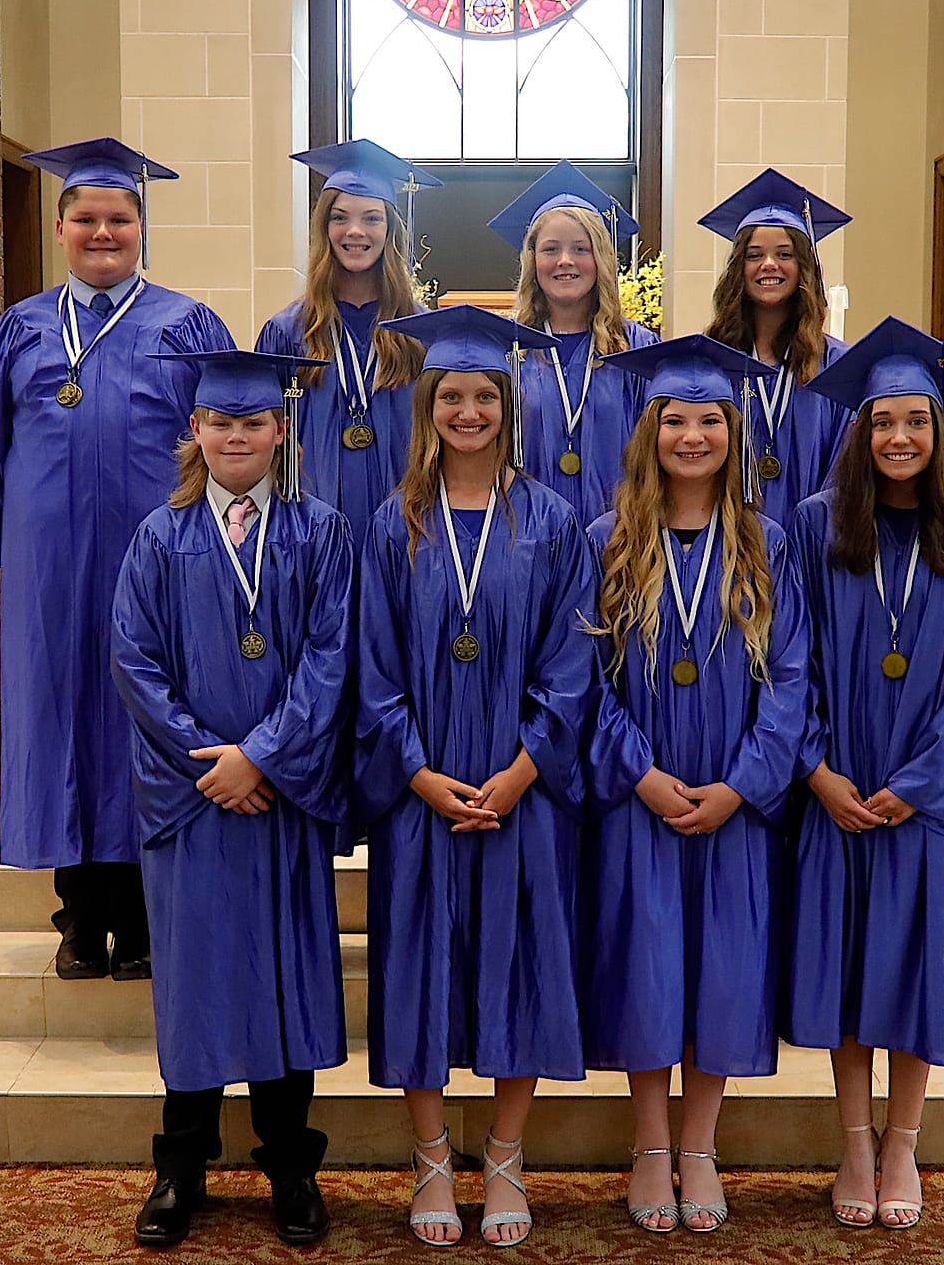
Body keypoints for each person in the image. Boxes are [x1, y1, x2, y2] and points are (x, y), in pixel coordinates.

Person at [0, 137, 234, 982]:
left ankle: (148, 917)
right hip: (52, 573)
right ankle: (78, 917)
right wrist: (24, 538)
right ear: (63, 225)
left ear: (142, 227)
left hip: (159, 570)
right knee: (60, 721)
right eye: (86, 218)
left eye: (119, 218)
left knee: (149, 721)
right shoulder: (24, 326)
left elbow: (223, 441)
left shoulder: (184, 324)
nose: (102, 232)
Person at [355, 305, 595, 1248]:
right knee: (419, 964)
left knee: (519, 963)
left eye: (483, 396)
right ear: (428, 408)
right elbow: (369, 669)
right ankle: (427, 1163)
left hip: (516, 789)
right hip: (422, 791)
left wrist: (523, 770)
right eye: (450, 396)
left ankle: (502, 1160)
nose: (467, 411)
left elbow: (574, 666)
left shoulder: (550, 519)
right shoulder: (393, 523)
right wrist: (416, 774)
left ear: (509, 406)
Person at [109, 349, 350, 1249]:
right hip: (195, 801)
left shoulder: (321, 534)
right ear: (196, 432)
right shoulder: (158, 538)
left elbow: (332, 661)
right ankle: (180, 1168)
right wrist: (212, 765)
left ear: (280, 431)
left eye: (253, 423)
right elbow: (135, 663)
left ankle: (292, 1167)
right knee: (198, 983)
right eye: (221, 423)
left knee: (283, 983)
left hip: (279, 800)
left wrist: (264, 757)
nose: (237, 437)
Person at [784, 316, 944, 1231]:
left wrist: (920, 783)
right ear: (859, 428)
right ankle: (852, 1141)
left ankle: (903, 1143)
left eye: (916, 421)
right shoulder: (813, 526)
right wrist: (815, 771)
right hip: (838, 788)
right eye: (882, 421)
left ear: (940, 428)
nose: (899, 439)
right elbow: (785, 658)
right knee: (846, 965)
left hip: (930, 794)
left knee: (918, 968)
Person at [580, 336, 808, 1234]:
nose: (692, 435)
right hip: (642, 792)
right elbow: (580, 678)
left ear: (733, 433)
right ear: (648, 433)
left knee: (722, 965)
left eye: (709, 419)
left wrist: (742, 783)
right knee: (646, 961)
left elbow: (792, 679)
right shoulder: (606, 542)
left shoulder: (765, 543)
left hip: (732, 798)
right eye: (674, 419)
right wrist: (638, 772)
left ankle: (701, 1145)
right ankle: (648, 1144)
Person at [257, 139, 435, 546]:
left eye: (371, 218)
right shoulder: (287, 332)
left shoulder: (422, 333)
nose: (355, 231)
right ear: (324, 228)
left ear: (390, 228)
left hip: (408, 528)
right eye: (340, 218)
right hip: (310, 532)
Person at [485, 160, 656, 524]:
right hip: (526, 535)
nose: (565, 261)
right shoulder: (506, 348)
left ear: (602, 259)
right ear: (532, 260)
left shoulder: (637, 348)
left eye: (581, 248)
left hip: (621, 536)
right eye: (550, 249)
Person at [700, 168, 853, 527]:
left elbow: (845, 470)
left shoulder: (837, 365)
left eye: (785, 254)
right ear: (739, 268)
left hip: (814, 546)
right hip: (726, 545)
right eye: (754, 255)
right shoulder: (712, 360)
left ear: (804, 268)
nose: (769, 264)